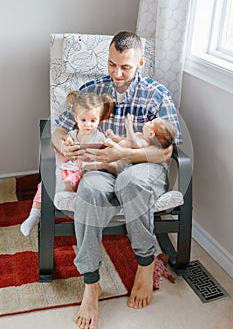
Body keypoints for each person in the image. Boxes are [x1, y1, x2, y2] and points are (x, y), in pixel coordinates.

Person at [51, 31, 182, 329]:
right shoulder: (92, 90)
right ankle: (91, 283)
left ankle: (145, 264)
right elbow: (58, 131)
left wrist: (123, 154)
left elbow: (167, 151)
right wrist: (65, 145)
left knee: (130, 183)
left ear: (141, 63)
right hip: (98, 167)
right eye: (112, 64)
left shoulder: (157, 94)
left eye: (125, 66)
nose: (117, 73)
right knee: (90, 190)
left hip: (142, 167)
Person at [20, 91, 114, 237]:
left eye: (93, 120)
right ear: (76, 118)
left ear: (99, 119)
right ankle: (34, 215)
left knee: (72, 180)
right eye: (83, 120)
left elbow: (106, 157)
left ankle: (63, 187)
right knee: (43, 185)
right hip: (66, 168)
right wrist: (66, 147)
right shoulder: (71, 135)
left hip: (83, 173)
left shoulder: (100, 137)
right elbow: (62, 153)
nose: (88, 125)